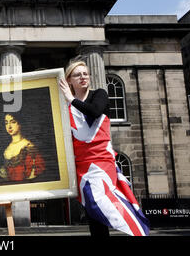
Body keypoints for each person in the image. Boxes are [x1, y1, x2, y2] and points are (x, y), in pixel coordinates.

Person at [59, 60, 149, 236]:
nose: (83, 77)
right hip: (81, 167)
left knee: (99, 203)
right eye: (78, 74)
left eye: (85, 73)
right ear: (69, 80)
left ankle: (136, 228)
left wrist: (70, 99)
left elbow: (94, 111)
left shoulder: (99, 95)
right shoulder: (66, 107)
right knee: (94, 213)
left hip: (101, 162)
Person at [0, 113, 45, 182]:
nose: (9, 126)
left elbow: (33, 175)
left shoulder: (28, 147)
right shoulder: (7, 148)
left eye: (13, 122)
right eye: (6, 123)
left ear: (20, 123)